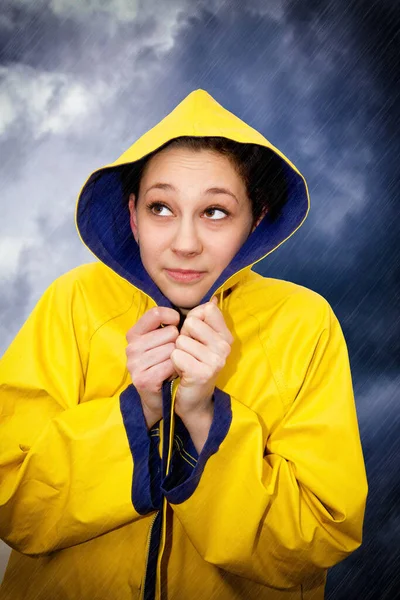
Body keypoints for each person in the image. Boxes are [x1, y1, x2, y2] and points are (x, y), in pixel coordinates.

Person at [0, 89, 368, 600]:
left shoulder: (305, 323)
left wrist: (202, 416)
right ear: (132, 215)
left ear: (256, 219)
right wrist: (138, 408)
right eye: (161, 207)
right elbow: (13, 503)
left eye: (215, 211)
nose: (186, 242)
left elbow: (317, 537)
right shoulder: (72, 301)